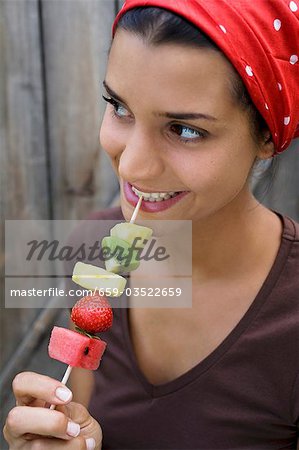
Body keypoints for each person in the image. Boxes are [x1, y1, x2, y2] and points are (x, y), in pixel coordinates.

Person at [3, 0, 299, 449]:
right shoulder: (92, 247)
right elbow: (84, 416)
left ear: (265, 136)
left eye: (184, 129)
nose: (133, 168)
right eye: (118, 106)